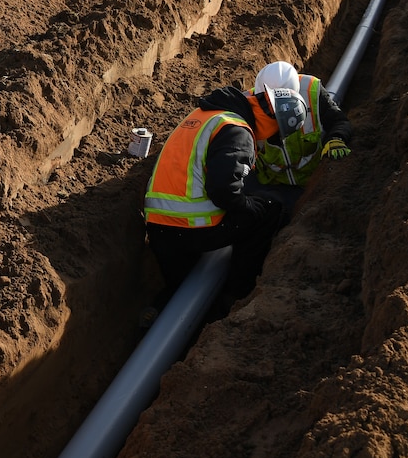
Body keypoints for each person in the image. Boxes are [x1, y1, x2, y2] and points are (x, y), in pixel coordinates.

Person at [140, 85, 308, 326]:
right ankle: (237, 294)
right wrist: (247, 205)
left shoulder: (204, 115)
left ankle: (161, 309)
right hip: (192, 228)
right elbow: (223, 189)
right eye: (275, 134)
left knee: (180, 283)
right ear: (273, 120)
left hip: (158, 229)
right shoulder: (237, 130)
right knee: (268, 209)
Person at [247, 61, 353, 218]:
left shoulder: (312, 90)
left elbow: (339, 121)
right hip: (273, 189)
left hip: (313, 186)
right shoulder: (249, 106)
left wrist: (336, 138)